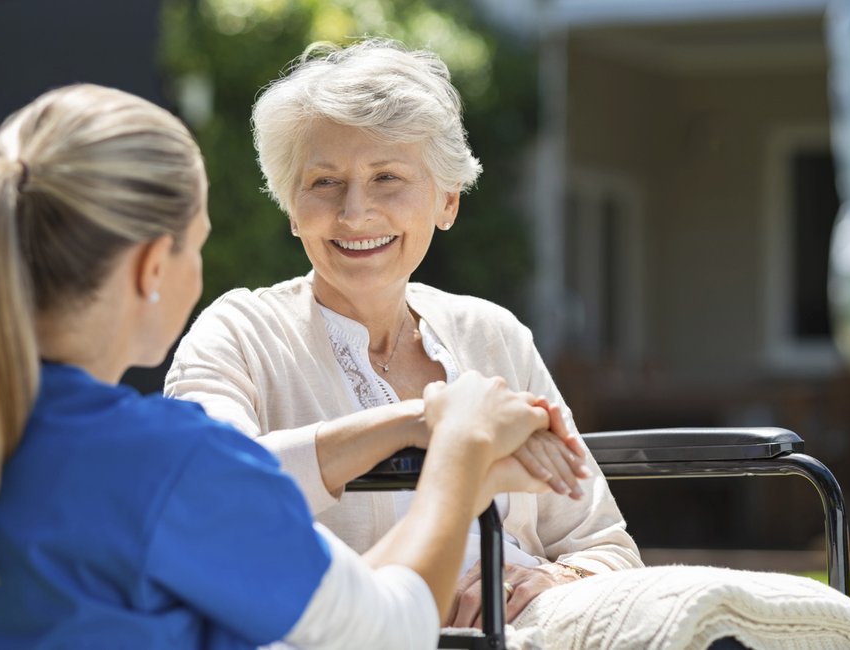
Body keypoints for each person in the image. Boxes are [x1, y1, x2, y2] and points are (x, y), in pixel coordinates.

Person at [0, 83, 577, 649]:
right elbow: (390, 631)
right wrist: (458, 445)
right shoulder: (169, 464)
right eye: (198, 245)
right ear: (151, 268)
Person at [164, 38, 643, 630]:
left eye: (387, 177)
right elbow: (209, 492)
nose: (355, 212)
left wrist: (550, 580)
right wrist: (422, 423)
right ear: (292, 208)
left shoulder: (493, 335)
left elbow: (605, 546)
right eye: (324, 183)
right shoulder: (238, 332)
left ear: (447, 201)